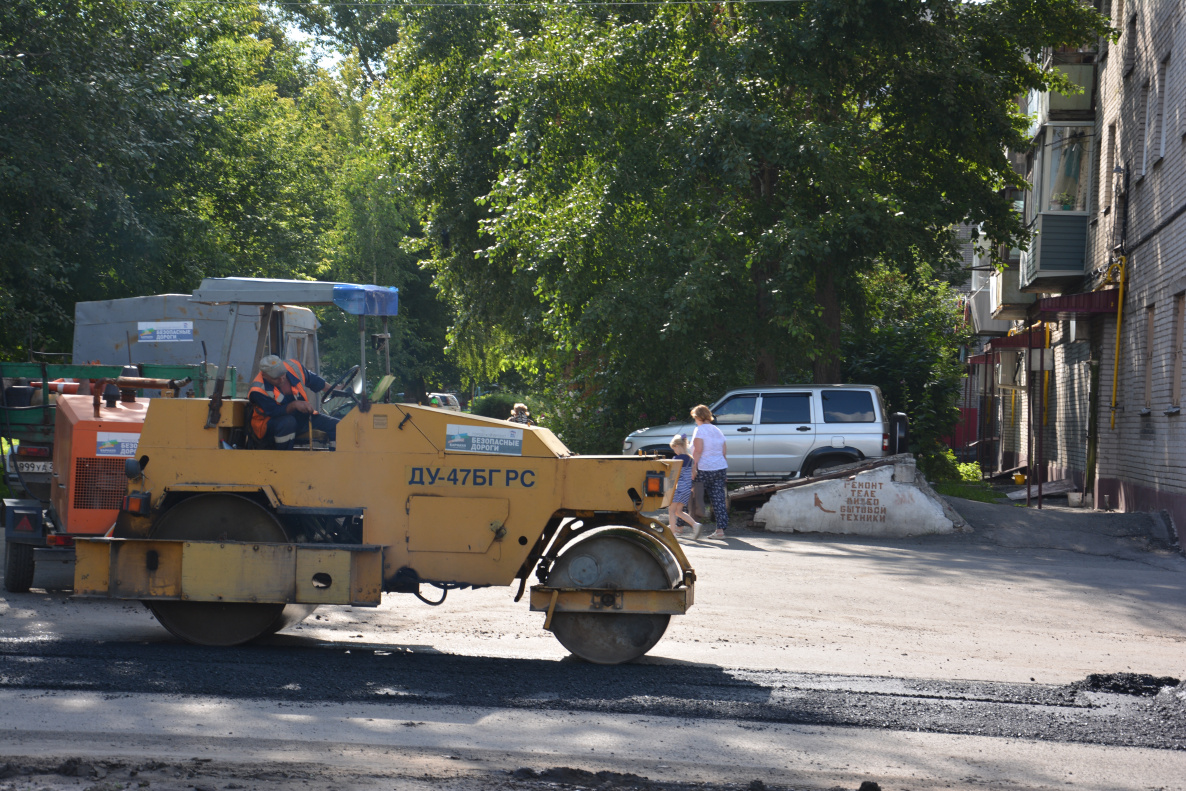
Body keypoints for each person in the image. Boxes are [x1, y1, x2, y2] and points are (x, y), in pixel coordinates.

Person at [248, 355, 339, 450]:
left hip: (299, 418)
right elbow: (275, 412)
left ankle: (336, 459)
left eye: (283, 374)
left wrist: (335, 390)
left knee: (339, 426)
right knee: (288, 422)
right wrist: (295, 405)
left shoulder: (293, 367)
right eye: (276, 378)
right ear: (264, 376)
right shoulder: (258, 390)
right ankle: (283, 458)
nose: (282, 379)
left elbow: (314, 381)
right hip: (269, 426)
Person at [690, 404, 729, 539]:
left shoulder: (699, 430)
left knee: (696, 498)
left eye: (695, 417)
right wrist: (725, 472)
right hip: (720, 468)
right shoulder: (718, 430)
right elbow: (724, 452)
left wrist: (693, 468)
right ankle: (720, 531)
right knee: (718, 499)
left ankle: (692, 526)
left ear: (698, 417)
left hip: (704, 468)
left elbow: (698, 451)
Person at [667, 435, 701, 538]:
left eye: (674, 449)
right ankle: (695, 525)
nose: (674, 452)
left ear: (677, 446)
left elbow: (673, 475)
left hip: (677, 488)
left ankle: (672, 533)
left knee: (671, 511)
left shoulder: (676, 459)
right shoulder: (690, 459)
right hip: (686, 488)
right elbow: (693, 473)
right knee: (679, 511)